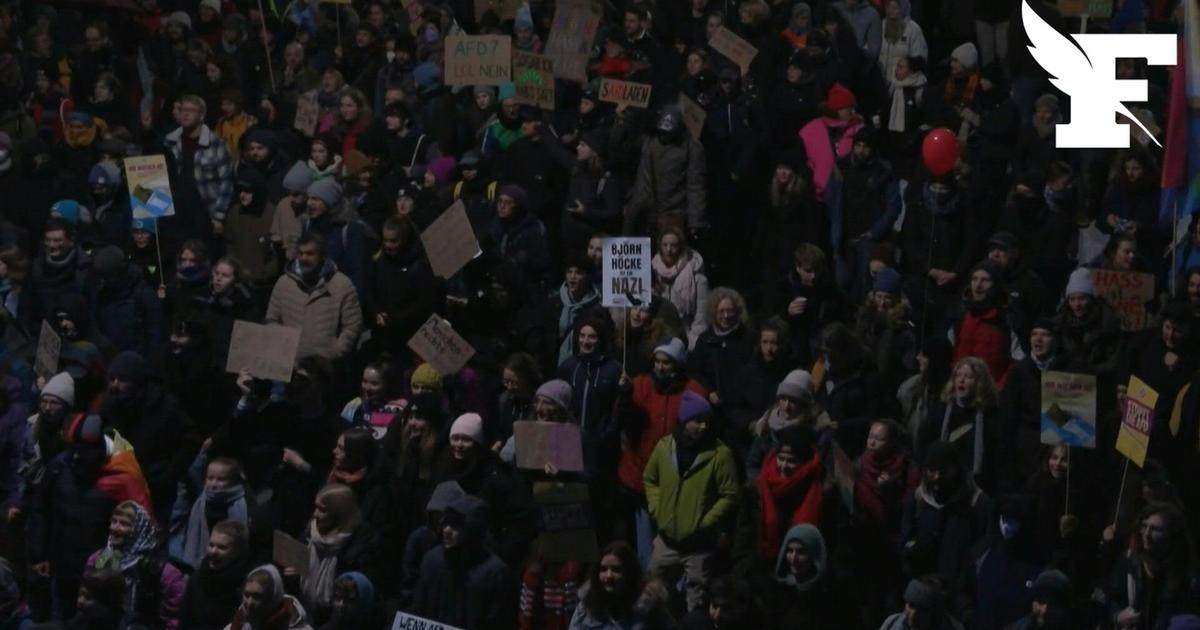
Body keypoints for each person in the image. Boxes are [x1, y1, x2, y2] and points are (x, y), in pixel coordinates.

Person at [643, 391, 739, 613]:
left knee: (696, 600)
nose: (703, 426)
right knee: (653, 593)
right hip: (666, 541)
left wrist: (704, 523)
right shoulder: (665, 447)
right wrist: (658, 509)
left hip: (699, 546)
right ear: (685, 420)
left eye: (706, 421)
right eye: (697, 421)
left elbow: (730, 495)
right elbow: (650, 479)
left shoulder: (719, 454)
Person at [616, 338, 708, 565]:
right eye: (656, 361)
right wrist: (625, 398)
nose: (660, 366)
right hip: (641, 479)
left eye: (666, 362)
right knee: (646, 548)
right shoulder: (639, 385)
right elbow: (626, 423)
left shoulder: (693, 390)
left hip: (677, 482)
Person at [412, 494, 509, 630]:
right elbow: (418, 608)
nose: (447, 530)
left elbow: (498, 622)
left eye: (456, 526)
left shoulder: (494, 572)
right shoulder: (433, 560)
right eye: (446, 523)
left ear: (473, 529)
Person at [85, 501, 187, 629]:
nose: (115, 528)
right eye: (114, 521)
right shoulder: (98, 560)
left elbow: (174, 620)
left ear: (140, 529)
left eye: (124, 524)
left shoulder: (162, 572)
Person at [265, 233, 363, 363]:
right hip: (290, 366)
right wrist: (285, 349)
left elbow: (353, 325)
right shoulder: (284, 283)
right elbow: (271, 320)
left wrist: (335, 351)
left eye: (310, 253)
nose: (304, 258)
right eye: (300, 253)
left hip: (326, 369)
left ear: (322, 255)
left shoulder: (341, 284)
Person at [178, 521, 253, 630]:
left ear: (238, 551)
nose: (213, 551)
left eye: (222, 547)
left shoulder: (247, 585)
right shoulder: (198, 580)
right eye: (211, 545)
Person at [651, 227, 710, 346]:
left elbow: (701, 317)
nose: (669, 249)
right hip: (657, 336)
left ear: (680, 247)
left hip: (685, 336)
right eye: (665, 245)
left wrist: (693, 342)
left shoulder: (696, 276)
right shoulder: (652, 273)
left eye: (673, 245)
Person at [224, 565, 313, 630]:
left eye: (257, 596)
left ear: (273, 597)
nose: (249, 602)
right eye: (246, 595)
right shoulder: (238, 624)